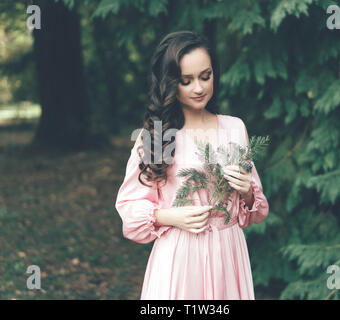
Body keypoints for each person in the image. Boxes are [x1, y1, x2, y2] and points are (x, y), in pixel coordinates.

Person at [115, 31, 269, 299]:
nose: (198, 88)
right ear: (170, 83)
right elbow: (130, 212)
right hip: (180, 255)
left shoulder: (234, 128)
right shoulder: (157, 137)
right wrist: (170, 216)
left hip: (229, 254)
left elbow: (255, 213)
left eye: (205, 76)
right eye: (186, 81)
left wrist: (247, 191)